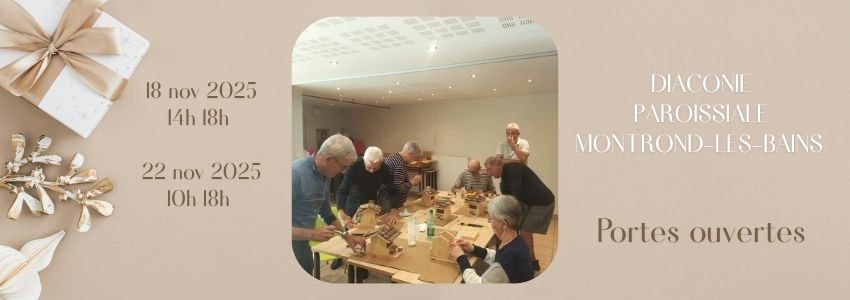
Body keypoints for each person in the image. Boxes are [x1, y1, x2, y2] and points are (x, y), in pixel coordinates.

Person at [292, 134, 364, 275]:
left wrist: (347, 237)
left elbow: (326, 213)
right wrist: (311, 233)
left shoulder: (326, 175)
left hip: (302, 246)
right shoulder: (295, 174)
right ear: (329, 159)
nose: (343, 172)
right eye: (343, 166)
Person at [330, 146, 399, 271]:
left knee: (367, 234)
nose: (372, 171)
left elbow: (393, 191)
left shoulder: (384, 169)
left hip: (370, 204)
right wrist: (342, 212)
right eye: (369, 167)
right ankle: (339, 257)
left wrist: (394, 209)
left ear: (381, 162)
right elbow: (342, 191)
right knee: (347, 232)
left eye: (375, 168)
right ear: (364, 160)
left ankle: (362, 267)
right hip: (352, 203)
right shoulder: (354, 167)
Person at [484, 156, 554, 272]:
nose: (489, 173)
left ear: (497, 165)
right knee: (515, 227)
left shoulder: (513, 169)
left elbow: (515, 196)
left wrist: (501, 213)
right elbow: (508, 197)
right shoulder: (504, 176)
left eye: (489, 169)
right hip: (529, 202)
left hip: (542, 202)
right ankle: (522, 257)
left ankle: (530, 263)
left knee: (525, 232)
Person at [450, 195, 534, 283]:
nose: (490, 222)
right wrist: (474, 249)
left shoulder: (508, 258)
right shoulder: (517, 240)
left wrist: (461, 258)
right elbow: (498, 256)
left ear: (504, 224)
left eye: (491, 219)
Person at [378, 141, 422, 226]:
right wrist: (413, 182)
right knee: (391, 224)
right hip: (389, 202)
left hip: (388, 198)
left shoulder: (395, 155)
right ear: (410, 154)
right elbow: (398, 188)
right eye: (415, 157)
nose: (414, 161)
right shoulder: (399, 164)